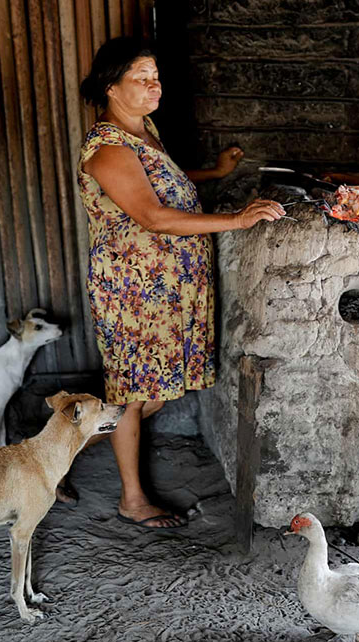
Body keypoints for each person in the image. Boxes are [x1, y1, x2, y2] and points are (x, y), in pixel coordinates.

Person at [75, 37, 285, 529]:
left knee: (160, 389)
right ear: (111, 87)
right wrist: (235, 220)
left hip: (168, 285)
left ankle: (66, 448)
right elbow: (150, 212)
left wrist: (213, 172)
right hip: (134, 288)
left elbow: (157, 178)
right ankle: (132, 499)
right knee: (131, 392)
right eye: (141, 79)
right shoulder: (105, 148)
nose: (154, 86)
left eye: (156, 77)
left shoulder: (142, 131)